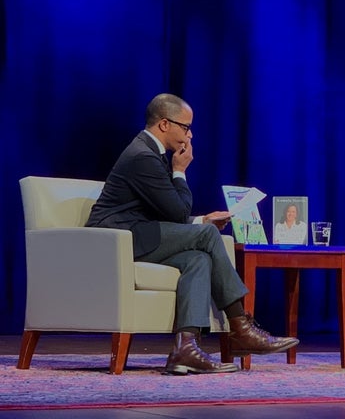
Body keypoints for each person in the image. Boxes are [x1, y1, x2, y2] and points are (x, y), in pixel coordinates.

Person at [86, 93, 299, 375]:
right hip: (116, 239)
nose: (190, 134)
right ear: (164, 124)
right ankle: (241, 326)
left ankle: (185, 348)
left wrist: (201, 219)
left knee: (198, 258)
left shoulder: (150, 153)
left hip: (139, 232)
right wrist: (180, 171)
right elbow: (174, 212)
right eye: (185, 127)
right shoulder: (142, 157)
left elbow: (166, 212)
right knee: (208, 236)